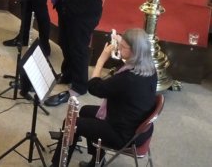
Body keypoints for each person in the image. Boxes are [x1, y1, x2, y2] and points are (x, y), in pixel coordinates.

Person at [49, 28, 157, 167]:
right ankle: (97, 160)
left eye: (122, 47)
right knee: (85, 111)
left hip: (124, 135)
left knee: (71, 123)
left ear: (134, 51)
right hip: (138, 125)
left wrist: (101, 59)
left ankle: (57, 165)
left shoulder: (127, 79)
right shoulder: (149, 67)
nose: (119, 48)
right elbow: (124, 65)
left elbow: (94, 88)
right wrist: (122, 42)